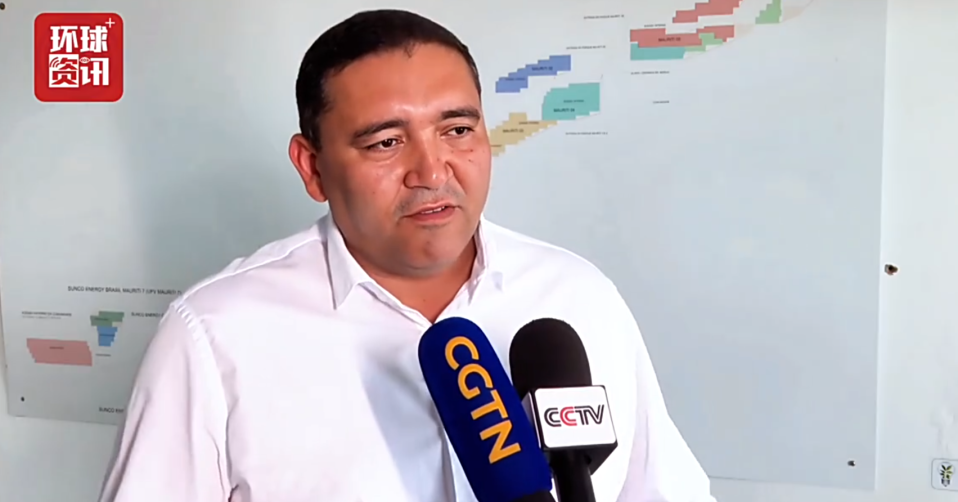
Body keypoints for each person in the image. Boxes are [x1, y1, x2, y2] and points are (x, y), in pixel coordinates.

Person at [97, 8, 716, 502]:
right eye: (386, 142)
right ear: (313, 167)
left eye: (458, 130)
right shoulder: (213, 337)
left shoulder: (578, 295)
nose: (432, 171)